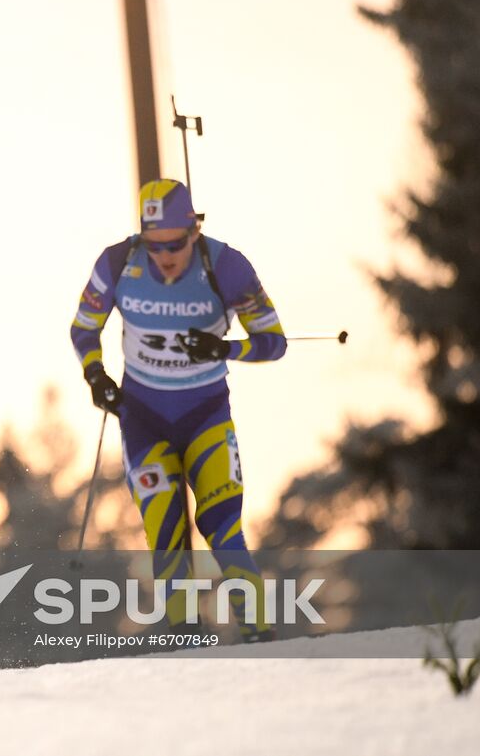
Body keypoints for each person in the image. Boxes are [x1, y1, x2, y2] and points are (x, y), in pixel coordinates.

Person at [69, 179, 286, 642]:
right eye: (155, 245)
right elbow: (83, 329)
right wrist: (96, 377)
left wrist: (224, 348)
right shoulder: (117, 263)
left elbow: (274, 342)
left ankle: (261, 633)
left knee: (222, 527)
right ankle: (185, 639)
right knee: (164, 531)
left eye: (175, 244)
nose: (165, 257)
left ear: (194, 230)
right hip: (144, 420)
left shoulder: (225, 267)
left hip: (205, 414)